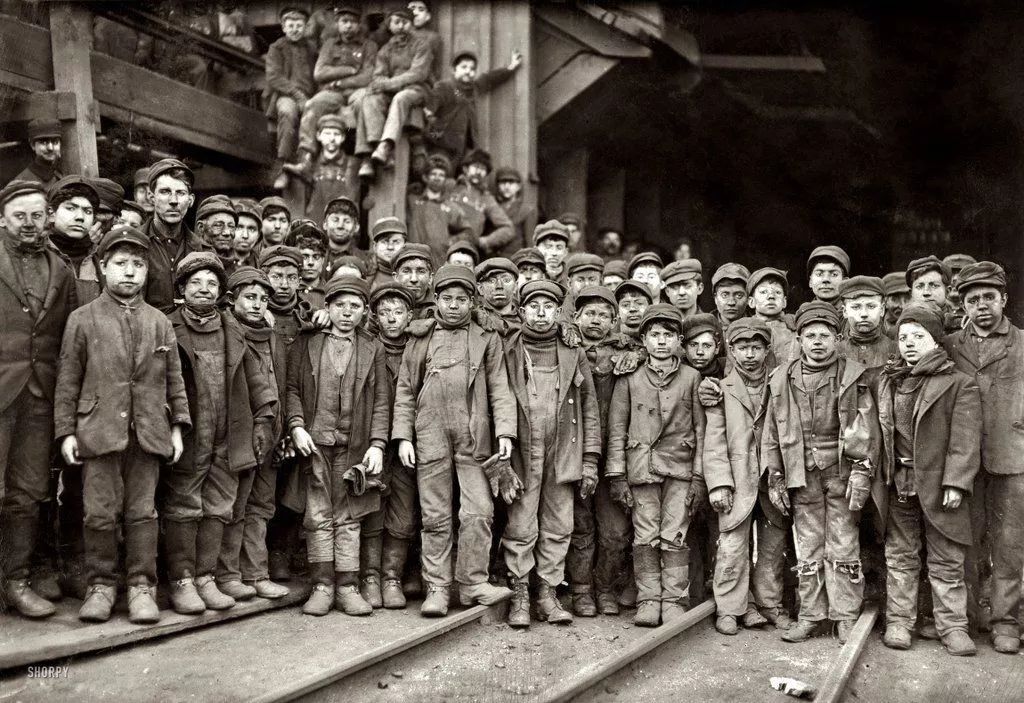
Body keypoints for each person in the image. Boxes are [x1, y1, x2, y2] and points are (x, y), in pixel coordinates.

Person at [54, 226, 190, 624]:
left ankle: (141, 586)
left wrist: (177, 427)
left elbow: (174, 380)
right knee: (99, 514)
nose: (129, 273)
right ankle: (100, 585)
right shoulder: (82, 319)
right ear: (103, 267)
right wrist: (67, 432)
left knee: (142, 512)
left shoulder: (160, 323)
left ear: (147, 271)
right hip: (99, 431)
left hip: (148, 433)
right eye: (120, 264)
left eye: (137, 265)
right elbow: (67, 380)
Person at [392, 264, 517, 616]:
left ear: (472, 301)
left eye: (462, 300)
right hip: (429, 432)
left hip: (473, 435)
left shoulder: (486, 338)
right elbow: (404, 390)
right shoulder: (419, 338)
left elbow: (500, 388)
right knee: (434, 515)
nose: (454, 306)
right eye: (447, 299)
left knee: (479, 510)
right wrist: (403, 437)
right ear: (435, 300)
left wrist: (505, 432)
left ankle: (473, 582)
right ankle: (437, 588)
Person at [163, 253, 276, 614]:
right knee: (184, 505)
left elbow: (257, 381)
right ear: (181, 289)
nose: (204, 289)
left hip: (228, 432)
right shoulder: (167, 327)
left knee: (219, 506)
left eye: (212, 283)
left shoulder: (233, 329)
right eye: (195, 282)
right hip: (191, 431)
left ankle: (206, 578)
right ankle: (181, 581)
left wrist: (262, 419)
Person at [762, 301, 880, 644]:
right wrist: (776, 476)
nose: (817, 342)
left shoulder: (853, 375)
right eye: (809, 335)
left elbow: (866, 427)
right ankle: (811, 615)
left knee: (843, 543)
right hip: (802, 473)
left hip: (840, 472)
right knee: (808, 545)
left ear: (837, 338)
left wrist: (861, 472)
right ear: (798, 338)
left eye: (824, 335)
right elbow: (772, 431)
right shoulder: (782, 376)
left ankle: (845, 616)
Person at [877, 304, 980, 656]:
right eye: (903, 337)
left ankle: (952, 626)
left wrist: (956, 482)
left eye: (917, 337)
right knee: (901, 554)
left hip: (939, 485)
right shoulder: (890, 381)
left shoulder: (958, 383)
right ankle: (900, 622)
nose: (908, 343)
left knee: (946, 556)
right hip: (899, 481)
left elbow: (965, 440)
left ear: (936, 342)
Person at [286, 276, 390, 616]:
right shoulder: (307, 344)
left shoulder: (372, 348)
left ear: (364, 312)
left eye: (355, 307)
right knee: (317, 512)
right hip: (315, 444)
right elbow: (292, 390)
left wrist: (376, 444)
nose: (347, 313)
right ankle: (322, 585)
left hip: (354, 446)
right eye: (340, 305)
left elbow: (380, 403)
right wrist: (297, 426)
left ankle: (347, 585)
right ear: (327, 308)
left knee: (350, 514)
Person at [0, 181, 78, 619]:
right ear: (3, 219)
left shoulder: (61, 268)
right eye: (19, 217)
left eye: (36, 216)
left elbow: (65, 339)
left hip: (39, 398)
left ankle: (16, 582)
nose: (29, 225)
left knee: (28, 493)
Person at [501, 279, 600, 627]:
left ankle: (547, 592)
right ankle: (520, 594)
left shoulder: (574, 352)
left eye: (548, 308)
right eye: (533, 307)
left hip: (563, 453)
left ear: (559, 313)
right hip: (522, 454)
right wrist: (500, 460)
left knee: (560, 524)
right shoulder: (507, 348)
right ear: (521, 311)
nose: (540, 314)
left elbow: (589, 409)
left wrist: (589, 461)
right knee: (521, 522)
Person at [607, 304, 706, 627]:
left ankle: (675, 599)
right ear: (644, 340)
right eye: (654, 335)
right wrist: (617, 475)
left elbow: (701, 429)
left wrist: (699, 478)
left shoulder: (692, 377)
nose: (661, 342)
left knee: (674, 535)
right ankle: (648, 599)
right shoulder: (629, 377)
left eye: (668, 336)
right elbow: (616, 427)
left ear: (679, 340)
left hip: (680, 466)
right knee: (645, 535)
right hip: (641, 468)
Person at [945, 261, 1024, 654]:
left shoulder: (1023, 344)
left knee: (1009, 544)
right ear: (962, 306)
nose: (981, 307)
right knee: (965, 541)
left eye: (989, 298)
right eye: (972, 300)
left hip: (1012, 458)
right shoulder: (948, 346)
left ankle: (1006, 621)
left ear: (1004, 300)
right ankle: (972, 617)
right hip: (962, 463)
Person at [704, 317, 789, 634]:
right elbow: (713, 442)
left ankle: (770, 605)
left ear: (767, 349)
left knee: (772, 546)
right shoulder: (719, 390)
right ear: (730, 349)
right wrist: (719, 483)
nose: (750, 354)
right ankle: (729, 608)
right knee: (732, 545)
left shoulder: (782, 383)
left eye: (756, 347)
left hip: (772, 480)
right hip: (737, 480)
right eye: (742, 347)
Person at [569, 286, 637, 616]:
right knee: (580, 528)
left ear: (614, 321)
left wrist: (635, 354)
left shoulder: (626, 352)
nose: (595, 320)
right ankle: (581, 592)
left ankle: (606, 587)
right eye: (589, 314)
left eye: (603, 315)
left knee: (615, 533)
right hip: (573, 454)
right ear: (576, 317)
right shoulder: (564, 347)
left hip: (613, 456)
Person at [224, 267, 291, 600]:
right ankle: (228, 575)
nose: (257, 305)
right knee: (235, 506)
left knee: (261, 506)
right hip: (239, 435)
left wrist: (281, 430)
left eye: (263, 299)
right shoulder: (228, 332)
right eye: (249, 297)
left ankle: (256, 573)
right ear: (233, 299)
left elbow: (280, 383)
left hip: (270, 435)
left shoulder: (272, 335)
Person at [285, 6, 377, 180]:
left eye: (353, 22)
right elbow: (319, 73)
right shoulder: (329, 44)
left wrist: (341, 80)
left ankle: (366, 158)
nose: (348, 26)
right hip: (332, 92)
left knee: (363, 103)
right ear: (338, 24)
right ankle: (306, 159)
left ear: (359, 25)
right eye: (344, 22)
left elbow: (368, 75)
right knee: (312, 105)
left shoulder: (369, 46)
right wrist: (349, 69)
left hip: (357, 91)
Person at [369, 281, 417, 609]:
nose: (391, 319)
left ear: (409, 315)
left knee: (403, 510)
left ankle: (392, 577)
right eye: (384, 312)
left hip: (408, 444)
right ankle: (370, 577)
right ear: (374, 316)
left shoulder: (418, 346)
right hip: (371, 440)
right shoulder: (367, 346)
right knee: (371, 506)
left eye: (398, 312)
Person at [355, 7, 434, 180]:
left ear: (411, 25)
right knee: (368, 99)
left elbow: (418, 73)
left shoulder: (421, 45)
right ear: (390, 25)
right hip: (392, 90)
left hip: (417, 90)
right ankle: (367, 156)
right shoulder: (385, 50)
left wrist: (389, 84)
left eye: (405, 22)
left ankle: (385, 145)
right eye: (396, 22)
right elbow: (378, 76)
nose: (400, 26)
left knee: (401, 98)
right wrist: (384, 84)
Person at [424, 50, 522, 166]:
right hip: (443, 147)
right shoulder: (444, 86)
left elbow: (490, 78)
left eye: (472, 69)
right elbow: (428, 111)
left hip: (465, 148)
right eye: (464, 67)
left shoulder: (474, 88)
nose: (468, 71)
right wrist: (438, 136)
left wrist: (511, 67)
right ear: (454, 69)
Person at [142, 159, 205, 313]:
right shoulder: (134, 243)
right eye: (165, 192)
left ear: (190, 200)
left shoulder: (203, 250)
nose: (174, 201)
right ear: (151, 197)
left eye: (181, 193)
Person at [264, 6, 317, 189]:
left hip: (311, 97)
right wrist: (297, 94)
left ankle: (308, 165)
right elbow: (273, 77)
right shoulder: (276, 48)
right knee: (287, 112)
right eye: (291, 25)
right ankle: (283, 166)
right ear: (284, 27)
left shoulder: (311, 48)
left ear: (305, 27)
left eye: (299, 25)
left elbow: (318, 74)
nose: (295, 29)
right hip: (286, 95)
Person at [45, 176, 102, 304]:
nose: (80, 217)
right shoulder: (39, 255)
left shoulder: (101, 257)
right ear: (51, 214)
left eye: (87, 211)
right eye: (71, 208)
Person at [448, 149, 515, 257]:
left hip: (466, 252)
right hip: (441, 245)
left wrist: (483, 242)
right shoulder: (451, 187)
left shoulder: (486, 198)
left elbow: (508, 228)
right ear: (465, 168)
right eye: (475, 167)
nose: (478, 172)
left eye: (483, 169)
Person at [300, 115, 361, 222]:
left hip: (343, 224)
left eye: (336, 134)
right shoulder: (311, 162)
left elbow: (354, 198)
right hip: (317, 221)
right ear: (318, 136)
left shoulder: (352, 163)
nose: (332, 138)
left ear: (343, 138)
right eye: (327, 133)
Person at [838, 276, 898, 369]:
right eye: (856, 307)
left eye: (871, 306)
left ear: (882, 310)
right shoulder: (834, 351)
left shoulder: (896, 350)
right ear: (845, 311)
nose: (864, 314)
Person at [259, 245, 314, 346]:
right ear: (263, 279)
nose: (285, 285)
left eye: (292, 278)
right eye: (276, 277)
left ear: (299, 282)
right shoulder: (254, 314)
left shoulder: (309, 316)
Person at [746, 267, 799, 369]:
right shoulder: (744, 329)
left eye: (777, 292)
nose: (771, 296)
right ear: (751, 302)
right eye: (763, 292)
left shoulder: (796, 328)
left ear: (784, 302)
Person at [906, 255, 958, 333]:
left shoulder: (961, 327)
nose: (926, 292)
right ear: (911, 294)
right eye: (919, 286)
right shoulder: (900, 329)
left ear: (947, 291)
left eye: (934, 285)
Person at [321, 197, 369, 279]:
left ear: (356, 227)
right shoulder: (315, 257)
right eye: (335, 220)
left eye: (347, 221)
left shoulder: (366, 260)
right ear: (325, 224)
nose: (340, 226)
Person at [494, 168, 536, 258]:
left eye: (511, 183)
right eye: (503, 183)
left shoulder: (526, 210)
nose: (507, 187)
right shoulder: (493, 207)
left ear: (519, 186)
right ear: (498, 186)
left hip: (515, 260)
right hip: (492, 259)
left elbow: (529, 243)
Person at [194, 196, 239, 279]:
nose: (227, 232)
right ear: (201, 227)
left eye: (231, 226)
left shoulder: (237, 264)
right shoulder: (191, 260)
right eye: (218, 225)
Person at [475, 257, 522, 335]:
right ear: (480, 288)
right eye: (491, 281)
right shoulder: (473, 320)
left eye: (506, 280)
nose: (499, 286)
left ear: (515, 286)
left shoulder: (527, 320)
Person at [13, 119, 63, 189]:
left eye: (55, 142)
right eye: (44, 142)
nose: (50, 148)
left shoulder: (60, 176)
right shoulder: (21, 182)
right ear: (32, 145)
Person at [392, 243, 436, 319]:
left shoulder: (441, 309)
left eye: (421, 271)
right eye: (406, 271)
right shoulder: (382, 306)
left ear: (430, 278)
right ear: (396, 277)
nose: (414, 279)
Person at [711, 263, 750, 330]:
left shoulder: (759, 326)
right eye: (725, 295)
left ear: (748, 299)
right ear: (715, 298)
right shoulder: (705, 326)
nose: (731, 302)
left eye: (739, 295)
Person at [533, 220, 570, 286]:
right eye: (548, 246)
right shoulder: (528, 277)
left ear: (565, 252)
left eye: (559, 247)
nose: (554, 253)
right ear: (536, 250)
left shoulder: (571, 277)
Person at [233, 199, 263, 268]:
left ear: (258, 235)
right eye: (239, 228)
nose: (245, 235)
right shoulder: (217, 262)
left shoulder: (263, 266)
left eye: (252, 229)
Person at [881, 271, 910, 339]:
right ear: (885, 302)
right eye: (895, 299)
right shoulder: (877, 329)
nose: (903, 306)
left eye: (907, 298)